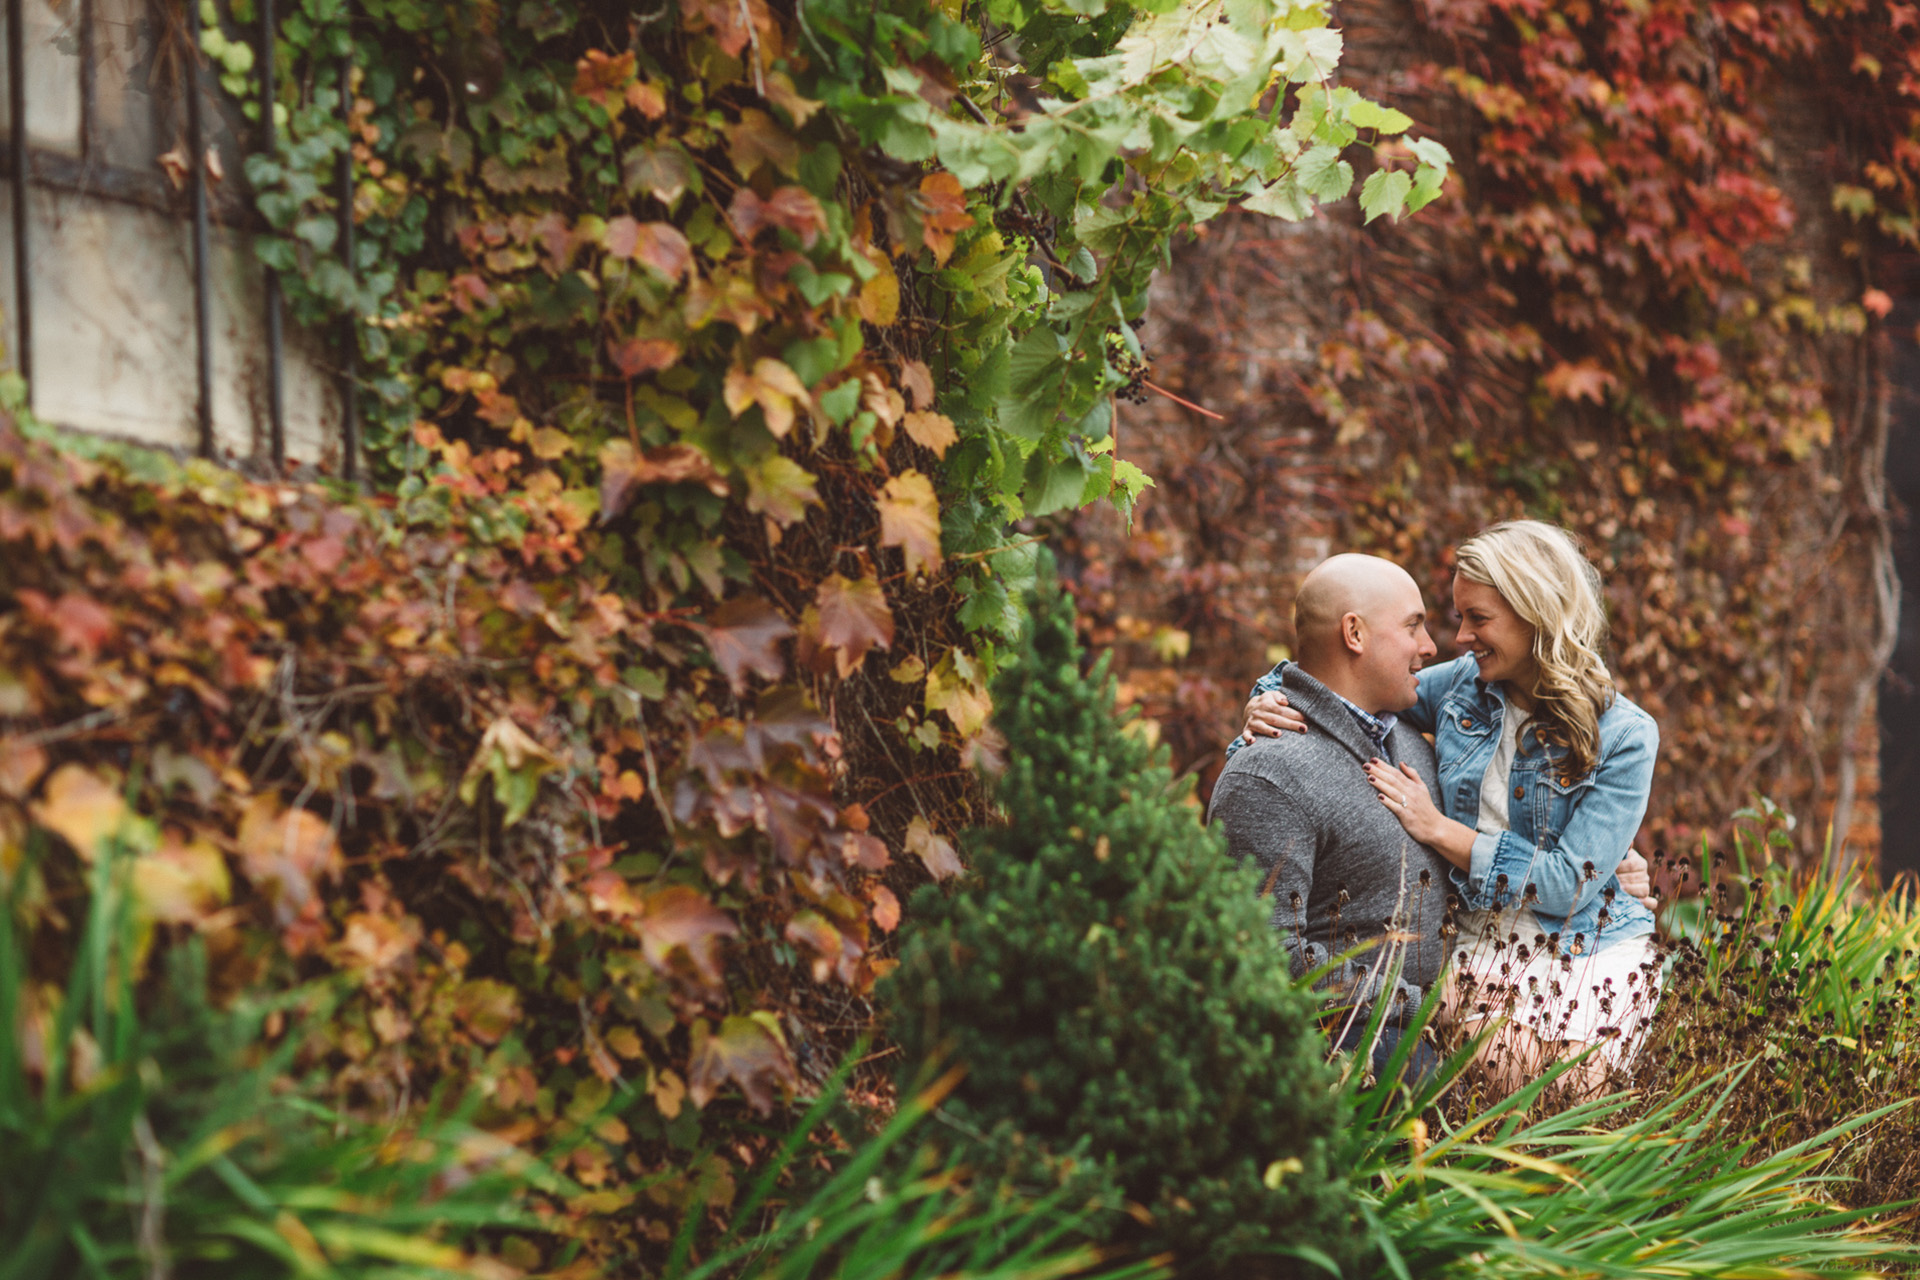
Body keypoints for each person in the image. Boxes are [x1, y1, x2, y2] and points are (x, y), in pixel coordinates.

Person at [1238, 521, 1663, 1090]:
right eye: (1451, 618)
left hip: (1586, 947)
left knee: (1571, 1091)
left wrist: (1439, 831)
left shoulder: (1626, 735)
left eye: (1478, 619)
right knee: (1497, 1077)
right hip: (1476, 949)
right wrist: (1265, 701)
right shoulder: (1460, 690)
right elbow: (1332, 681)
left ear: (1535, 614)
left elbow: (1566, 882)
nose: (1455, 638)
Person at [1207, 553, 1455, 1071]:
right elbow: (1262, 958)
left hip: (1445, 1033)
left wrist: (1609, 870)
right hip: (1349, 1061)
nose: (1431, 647)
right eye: (1414, 625)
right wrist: (1420, 1008)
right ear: (1354, 634)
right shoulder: (1269, 774)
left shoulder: (1413, 741)